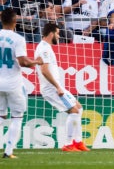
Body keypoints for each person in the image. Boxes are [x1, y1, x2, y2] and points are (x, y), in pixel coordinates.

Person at [0, 7, 43, 158]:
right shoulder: (18, 39)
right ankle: (8, 151)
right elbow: (23, 62)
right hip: (14, 83)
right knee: (17, 117)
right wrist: (37, 61)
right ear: (15, 21)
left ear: (1, 20)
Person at [34, 23, 89, 151]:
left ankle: (78, 142)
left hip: (55, 86)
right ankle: (69, 144)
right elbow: (44, 70)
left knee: (79, 108)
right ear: (51, 33)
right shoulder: (44, 49)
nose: (59, 36)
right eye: (58, 33)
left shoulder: (46, 47)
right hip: (51, 88)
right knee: (74, 111)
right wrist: (58, 87)